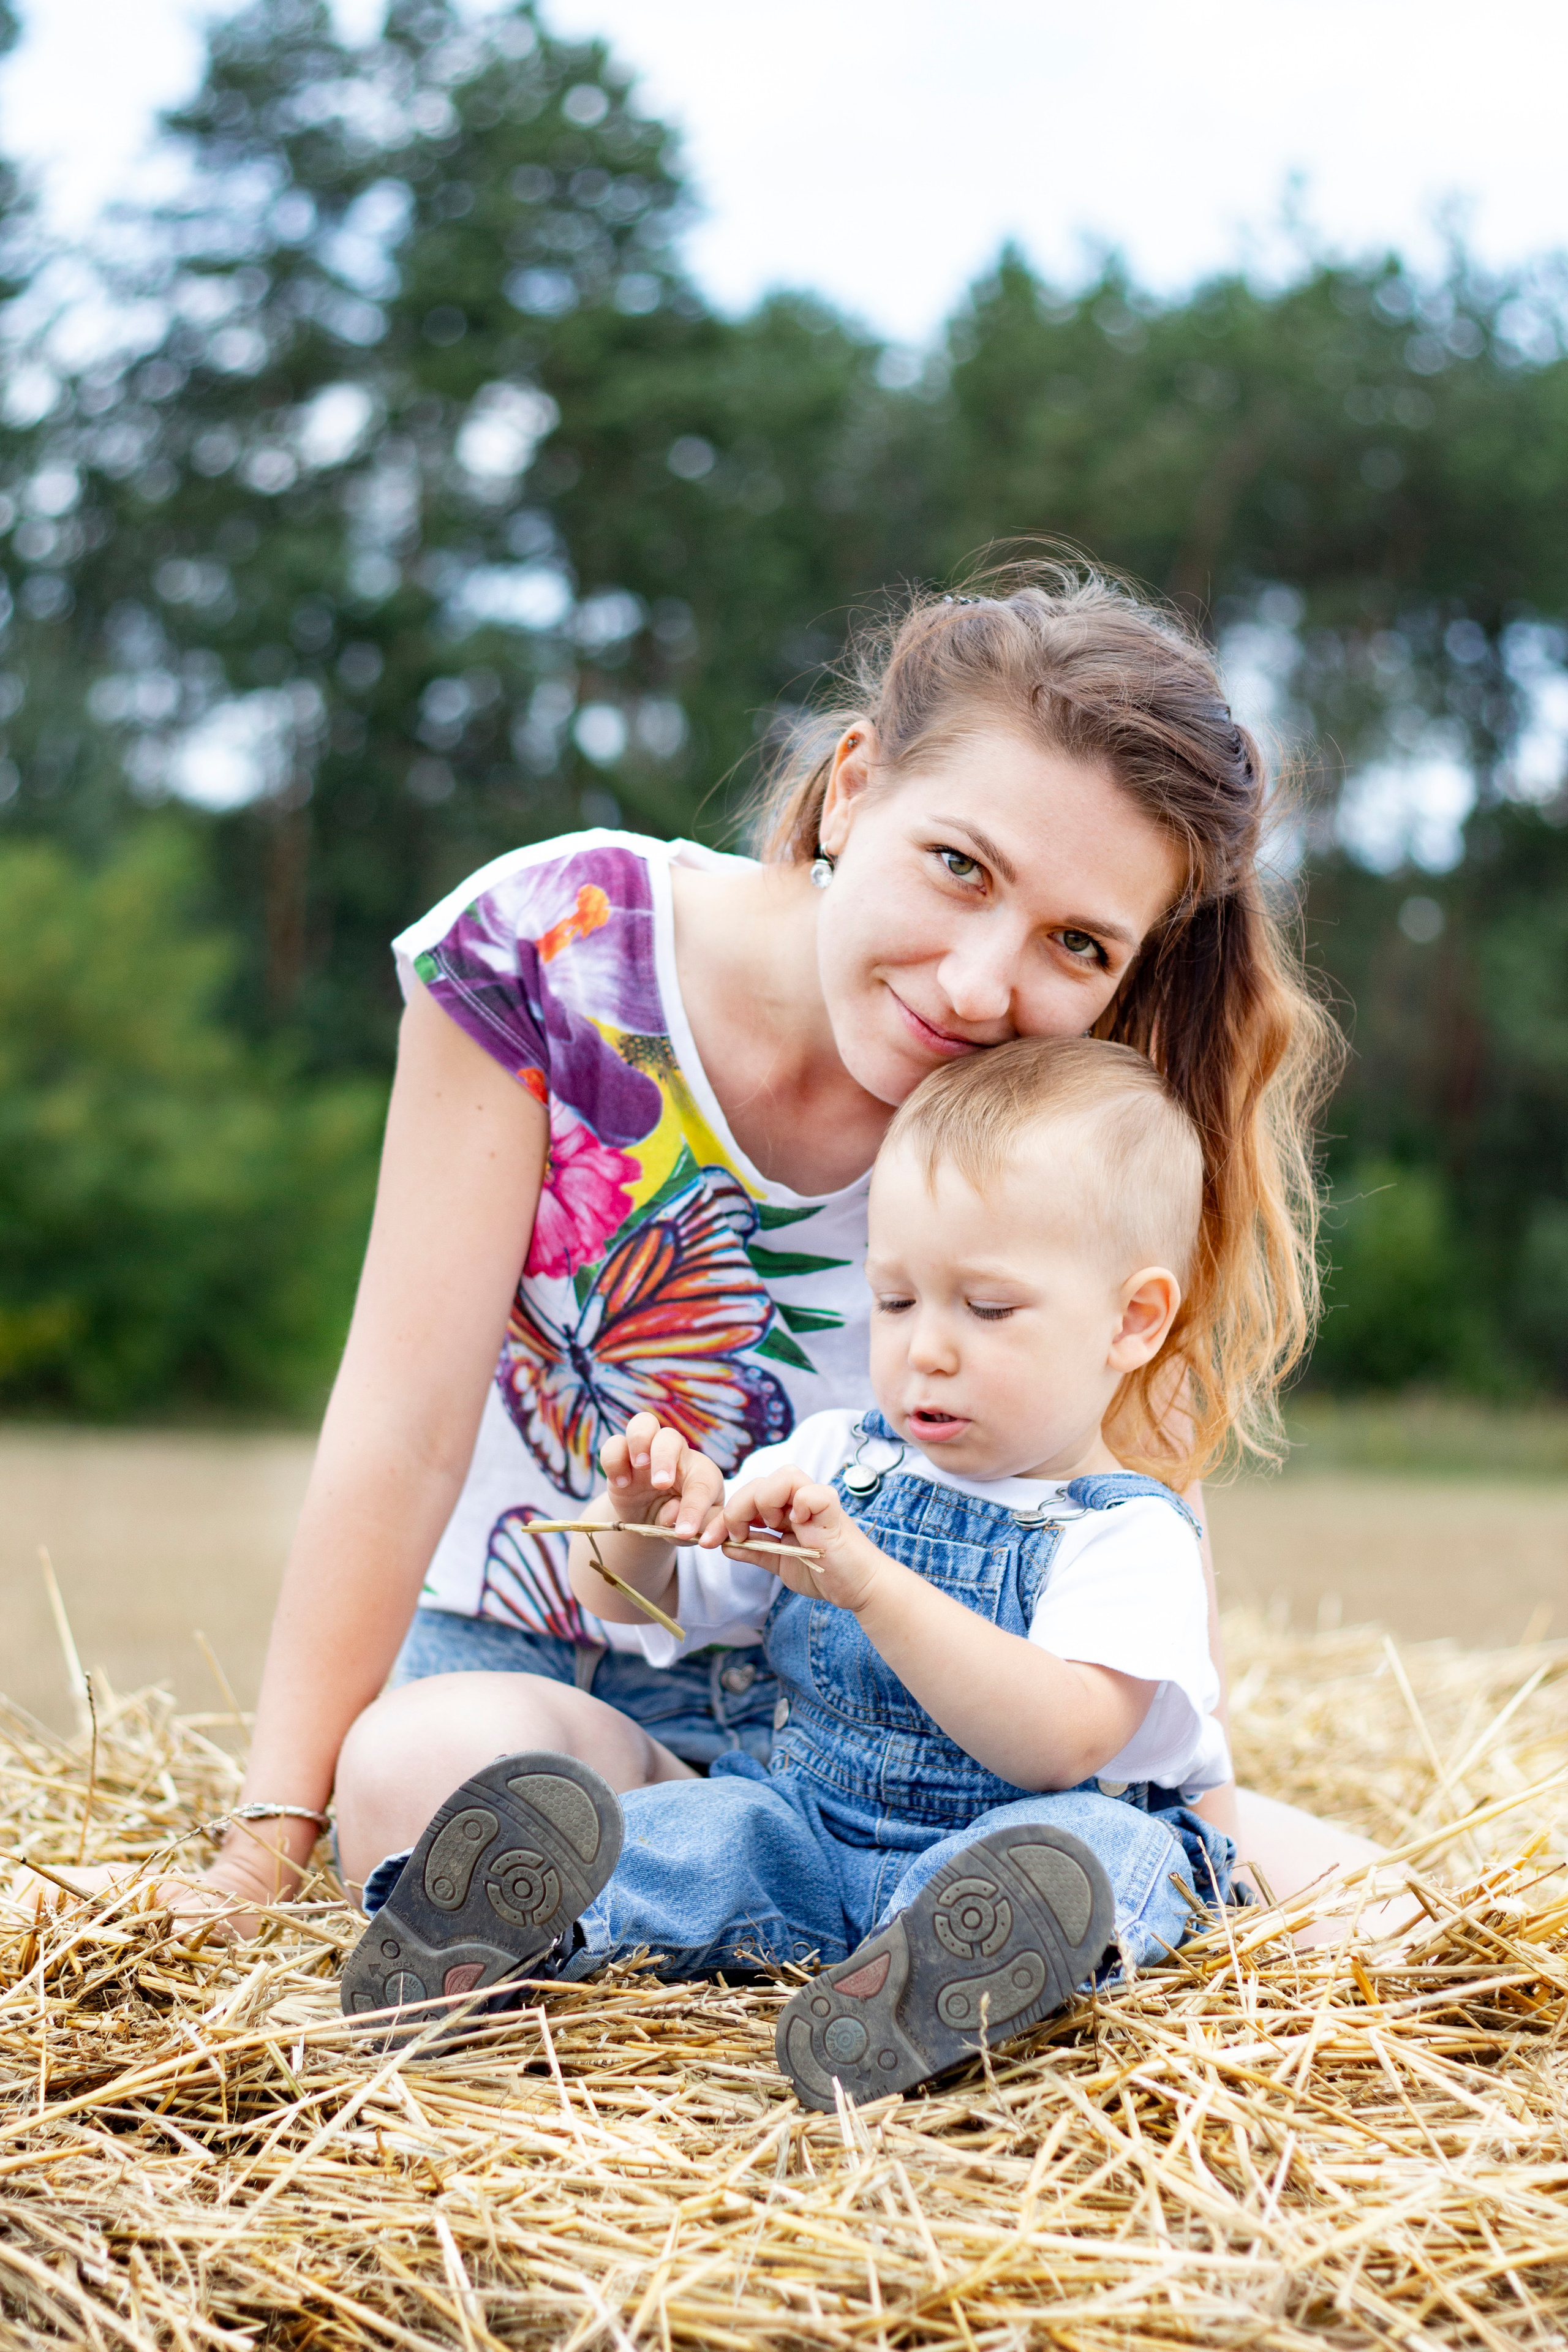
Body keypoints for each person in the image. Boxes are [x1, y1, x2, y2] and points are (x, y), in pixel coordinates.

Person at [199, 562, 1353, 1934]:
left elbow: (1128, 1473)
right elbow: (403, 1427)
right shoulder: (553, 951)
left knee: (1375, 1914)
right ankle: (737, 1895)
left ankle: (837, 1922)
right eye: (956, 865)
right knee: (414, 1778)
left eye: (1075, 943)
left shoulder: (1066, 1105)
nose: (981, 984)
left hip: (920, 1733)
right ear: (855, 784)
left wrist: (1193, 1844)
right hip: (553, 1681)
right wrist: (266, 1845)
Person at [341, 1036, 1248, 2106]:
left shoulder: (1126, 1535)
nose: (928, 1350)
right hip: (805, 1836)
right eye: (898, 1301)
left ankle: (939, 1977)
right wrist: (635, 1520)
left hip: (1005, 1845)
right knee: (700, 1839)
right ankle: (507, 1925)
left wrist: (874, 1586)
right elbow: (630, 1603)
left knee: (1102, 1856)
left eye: (988, 1308)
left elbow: (1059, 1740)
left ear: (1133, 1321)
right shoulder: (836, 1461)